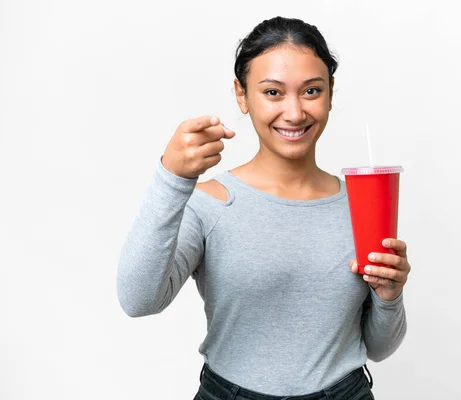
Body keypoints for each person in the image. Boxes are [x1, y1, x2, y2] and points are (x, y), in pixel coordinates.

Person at [117, 16, 410, 400]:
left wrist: (390, 296)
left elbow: (378, 347)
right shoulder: (210, 203)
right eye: (273, 92)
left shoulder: (360, 205)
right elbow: (138, 300)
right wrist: (171, 178)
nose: (294, 112)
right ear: (242, 95)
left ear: (330, 93)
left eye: (311, 91)